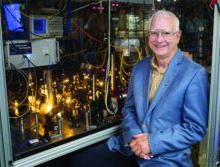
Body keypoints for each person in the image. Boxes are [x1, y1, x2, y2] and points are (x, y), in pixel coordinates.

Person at [71, 10, 209, 167]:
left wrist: (151, 143)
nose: (159, 39)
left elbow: (195, 128)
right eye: (154, 33)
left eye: (166, 33)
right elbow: (129, 109)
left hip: (166, 157)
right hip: (130, 147)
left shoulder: (194, 73)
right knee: (81, 162)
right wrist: (135, 137)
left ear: (177, 36)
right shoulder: (139, 68)